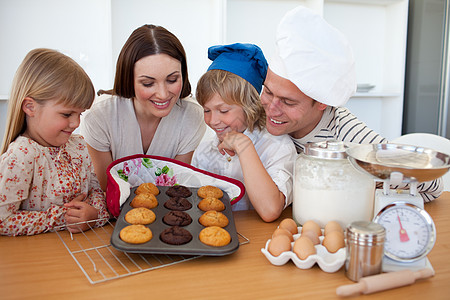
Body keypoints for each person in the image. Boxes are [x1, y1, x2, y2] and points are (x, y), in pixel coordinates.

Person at [261, 6, 443, 202]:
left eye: (288, 102)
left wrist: (362, 185)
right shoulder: (254, 112)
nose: (271, 108)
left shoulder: (349, 138)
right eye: (268, 91)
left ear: (322, 102)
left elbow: (432, 186)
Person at [80, 24, 206, 191]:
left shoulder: (192, 116)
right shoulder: (99, 116)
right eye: (148, 83)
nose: (162, 94)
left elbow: (176, 188)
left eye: (172, 80)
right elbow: (107, 190)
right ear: (128, 79)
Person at [0, 48, 109, 236]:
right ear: (30, 107)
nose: (76, 123)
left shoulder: (78, 146)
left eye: (80, 113)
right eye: (67, 114)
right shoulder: (21, 156)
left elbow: (96, 191)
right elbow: (3, 220)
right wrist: (64, 217)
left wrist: (94, 214)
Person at [192, 43, 297, 222]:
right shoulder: (204, 152)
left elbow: (270, 210)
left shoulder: (278, 147)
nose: (213, 120)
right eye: (206, 110)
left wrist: (244, 146)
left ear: (250, 106)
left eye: (223, 111)